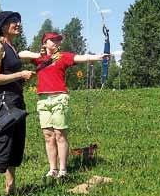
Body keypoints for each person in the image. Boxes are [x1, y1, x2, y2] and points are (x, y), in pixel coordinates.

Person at [19, 32, 108, 178]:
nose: (56, 42)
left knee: (60, 134)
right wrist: (38, 55)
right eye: (52, 40)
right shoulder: (39, 58)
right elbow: (21, 54)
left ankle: (63, 170)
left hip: (60, 97)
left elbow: (81, 57)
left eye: (58, 40)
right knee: (48, 135)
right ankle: (52, 169)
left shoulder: (63, 56)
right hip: (43, 99)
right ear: (45, 42)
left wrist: (99, 57)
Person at [0, 11, 34, 196]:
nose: (18, 24)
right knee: (2, 143)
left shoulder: (12, 47)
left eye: (19, 21)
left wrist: (22, 77)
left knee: (16, 144)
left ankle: (11, 188)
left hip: (17, 100)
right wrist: (20, 75)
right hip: (4, 101)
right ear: (4, 26)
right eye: (14, 22)